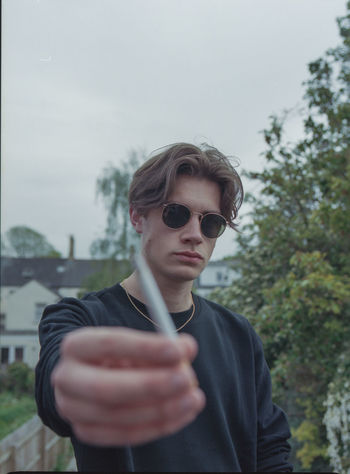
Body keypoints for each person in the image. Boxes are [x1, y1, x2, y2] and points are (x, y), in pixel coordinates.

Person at [35, 142, 293, 472]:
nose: (194, 235)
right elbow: (57, 385)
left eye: (210, 223)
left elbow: (270, 450)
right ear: (137, 216)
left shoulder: (238, 334)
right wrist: (76, 385)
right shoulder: (80, 319)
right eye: (177, 214)